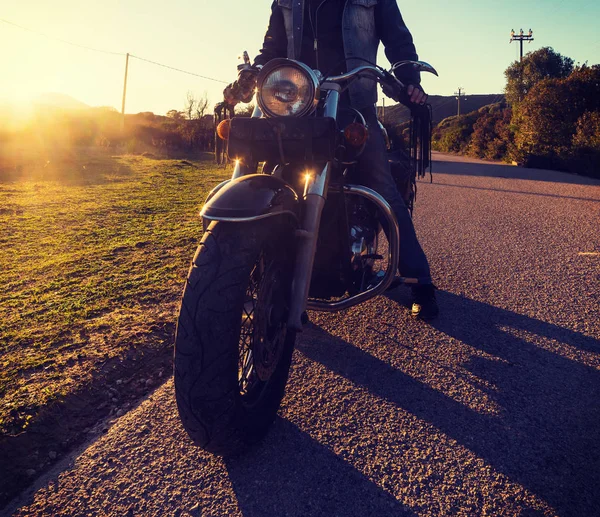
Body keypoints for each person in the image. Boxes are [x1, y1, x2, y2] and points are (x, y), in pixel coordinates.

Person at [224, 0, 438, 320]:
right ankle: (268, 277)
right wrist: (257, 71)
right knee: (277, 179)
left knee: (380, 185)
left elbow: (397, 40)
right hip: (296, 106)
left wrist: (408, 78)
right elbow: (273, 46)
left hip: (353, 102)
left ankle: (420, 281)